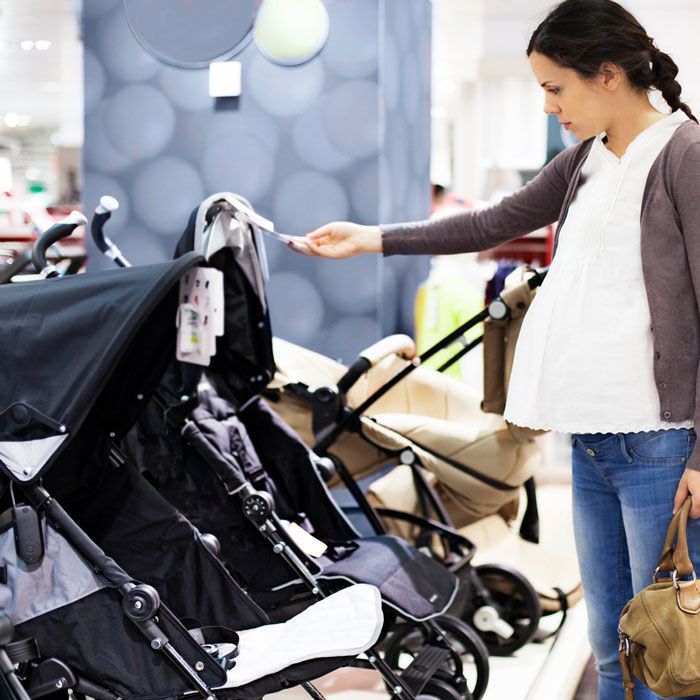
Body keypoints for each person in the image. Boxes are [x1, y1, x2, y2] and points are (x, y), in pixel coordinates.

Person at [289, 1, 700, 698]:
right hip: (594, 441)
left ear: (606, 75)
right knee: (610, 648)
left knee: (665, 654)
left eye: (555, 87)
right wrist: (371, 237)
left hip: (659, 445)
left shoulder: (684, 157)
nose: (548, 107)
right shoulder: (586, 163)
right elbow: (491, 221)